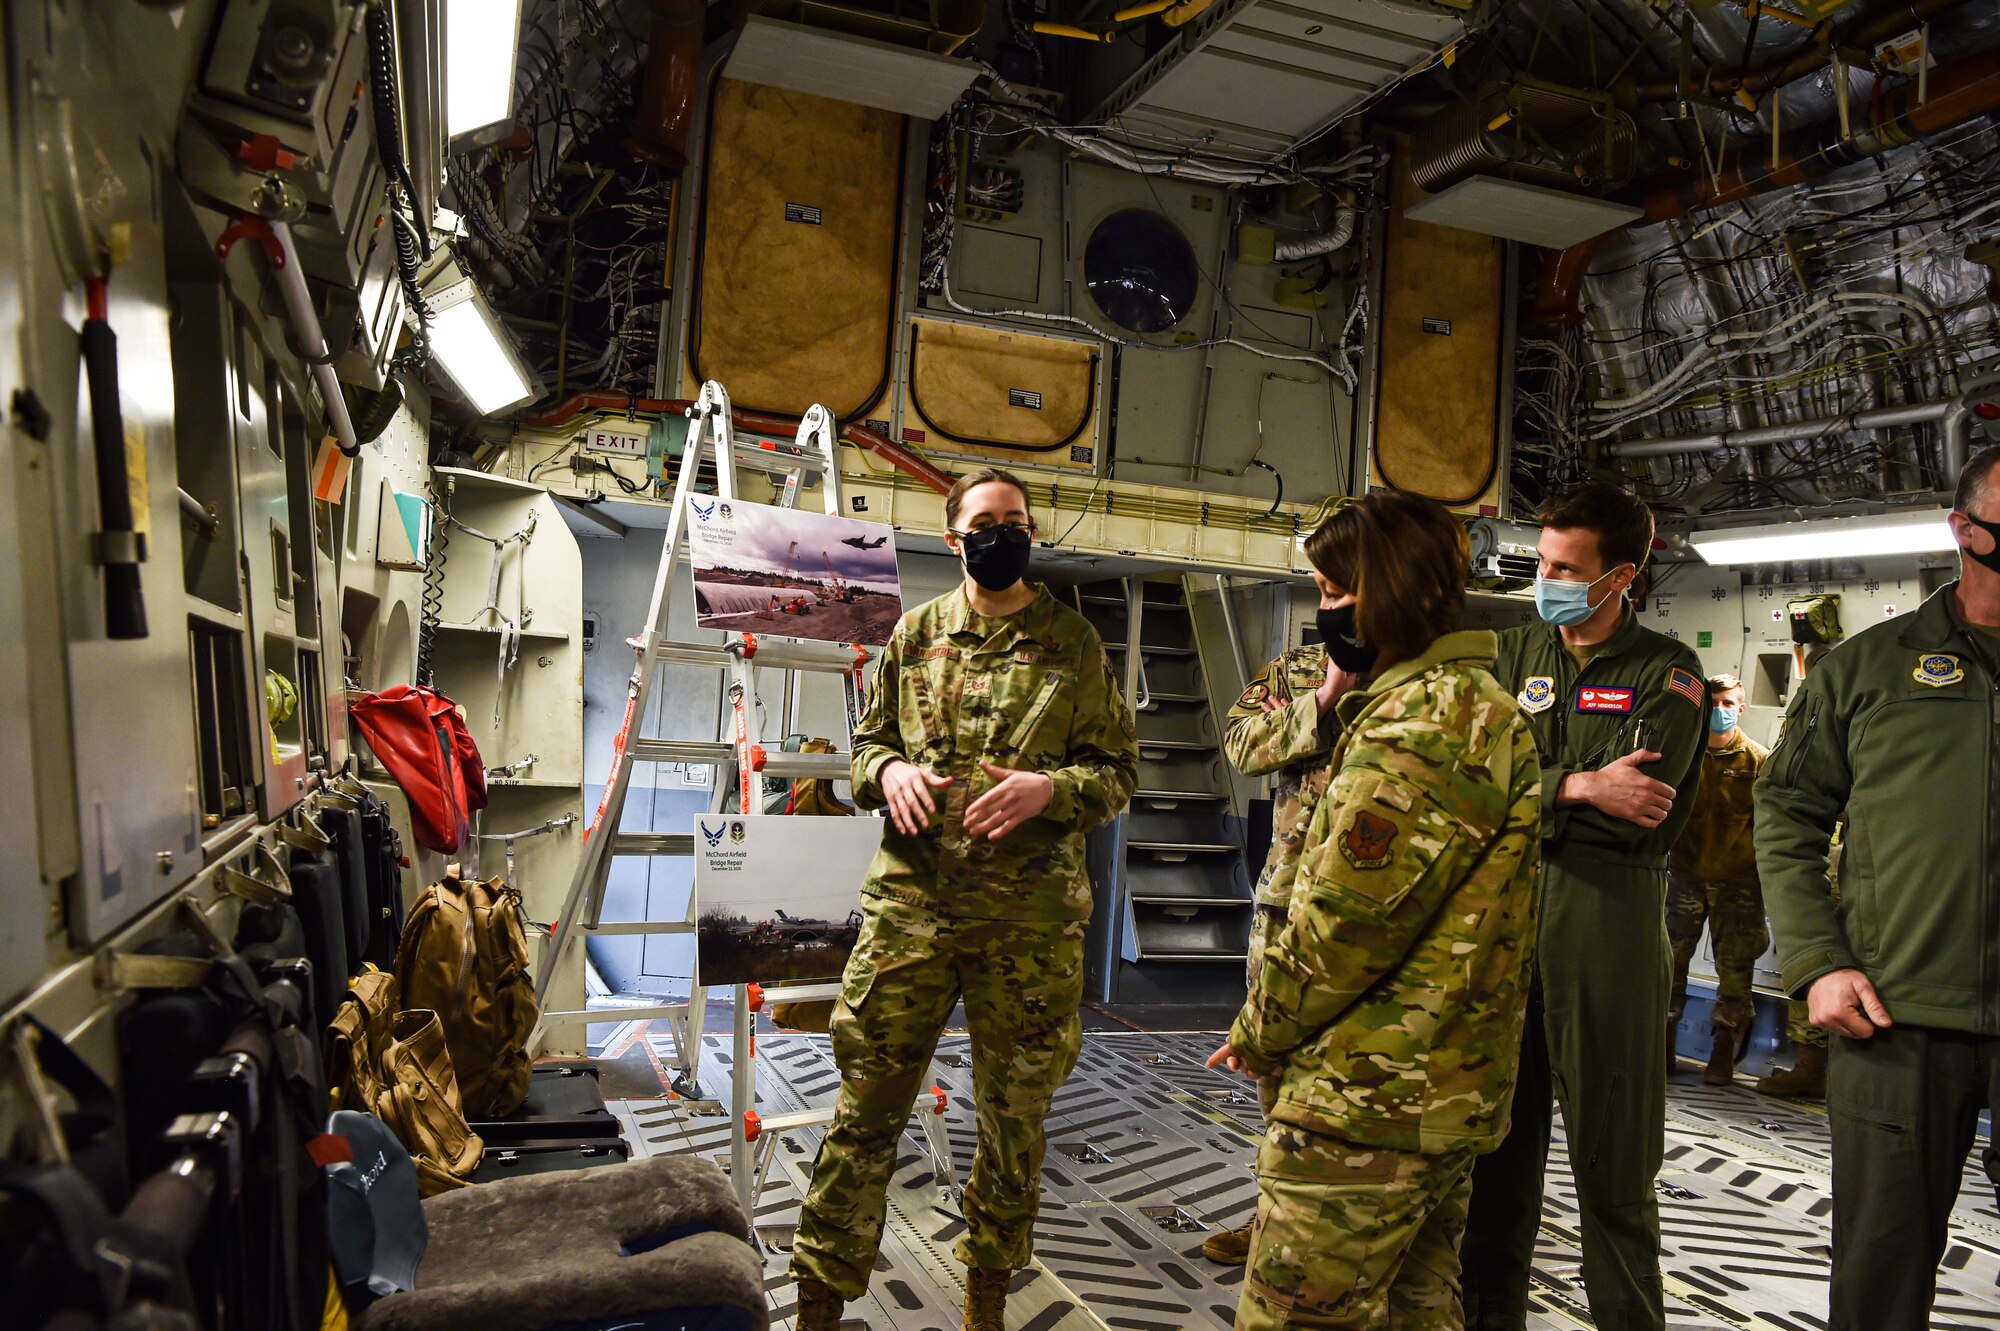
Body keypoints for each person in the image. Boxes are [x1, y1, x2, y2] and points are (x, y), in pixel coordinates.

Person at [790, 467, 1140, 1331]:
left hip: (1028, 928)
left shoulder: (1075, 645)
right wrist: (891, 771)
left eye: (1015, 522)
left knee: (1013, 1127)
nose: (1001, 535)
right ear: (954, 538)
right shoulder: (913, 638)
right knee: (863, 1112)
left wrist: (1048, 792)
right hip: (912, 913)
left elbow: (1117, 774)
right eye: (985, 522)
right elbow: (867, 748)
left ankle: (986, 1300)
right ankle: (818, 1305)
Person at [1204, 491, 1543, 1330]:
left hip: (1365, 1102)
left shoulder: (1417, 725)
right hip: (1429, 1093)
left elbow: (1344, 931)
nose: (1324, 611)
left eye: (1332, 590)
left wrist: (1259, 1029)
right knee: (1417, 1309)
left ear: (1381, 589)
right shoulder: (1472, 708)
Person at [1755, 443, 2000, 1329]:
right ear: (1965, 530)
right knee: (1881, 1277)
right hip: (1897, 1020)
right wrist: (1817, 960)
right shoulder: (1868, 671)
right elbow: (1784, 813)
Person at [1459, 482, 1709, 1331]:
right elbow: (1462, 785)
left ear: (1621, 578)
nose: (1546, 578)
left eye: (1567, 568)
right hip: (1503, 937)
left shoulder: (1668, 673)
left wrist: (1528, 794)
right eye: (1544, 562)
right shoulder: (1507, 654)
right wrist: (1577, 784)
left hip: (1608, 938)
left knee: (1615, 1177)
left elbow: (1643, 807)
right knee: (1493, 1170)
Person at [1203, 522, 1366, 1267]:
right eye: (1322, 588)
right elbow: (1240, 744)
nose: (1327, 600)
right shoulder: (1297, 668)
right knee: (1273, 1071)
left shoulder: (1424, 680)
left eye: (1339, 585)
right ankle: (1273, 1214)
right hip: (1288, 902)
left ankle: (1346, 1229)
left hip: (1374, 911)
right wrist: (1323, 700)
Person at [1666, 673, 1770, 1086]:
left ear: (1741, 708)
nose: (1721, 712)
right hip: (1685, 875)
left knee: (1735, 967)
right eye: (1714, 703)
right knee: (1670, 962)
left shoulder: (1758, 762)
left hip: (1739, 882)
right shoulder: (1683, 755)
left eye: (1729, 704)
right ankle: (1664, 1040)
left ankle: (1724, 1049)